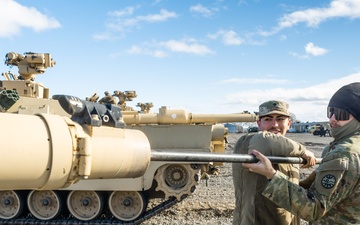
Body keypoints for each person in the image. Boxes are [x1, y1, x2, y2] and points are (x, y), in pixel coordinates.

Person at [243, 82, 360, 224]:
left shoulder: (345, 153)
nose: (332, 119)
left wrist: (271, 175)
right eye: (331, 111)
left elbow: (314, 209)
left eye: (341, 114)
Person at [232, 100, 316, 225]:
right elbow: (266, 142)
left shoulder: (289, 150)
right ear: (259, 123)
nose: (275, 124)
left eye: (280, 119)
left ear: (289, 123)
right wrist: (303, 151)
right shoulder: (248, 142)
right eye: (268, 119)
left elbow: (288, 189)